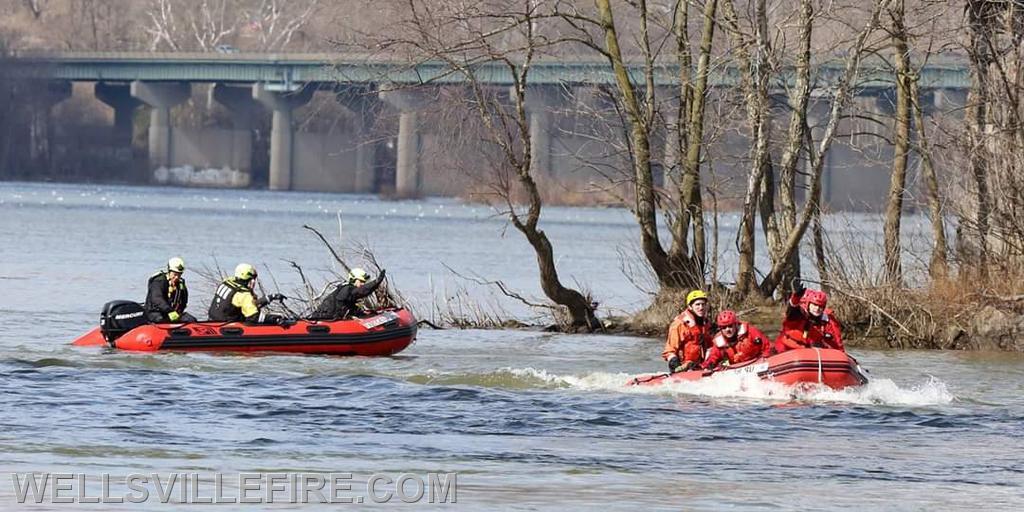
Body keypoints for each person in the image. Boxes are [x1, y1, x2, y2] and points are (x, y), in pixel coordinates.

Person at [774, 279, 844, 353]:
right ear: (808, 305)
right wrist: (796, 297)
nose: (817, 309)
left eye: (820, 307)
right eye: (814, 305)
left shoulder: (829, 321)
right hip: (789, 351)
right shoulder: (798, 315)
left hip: (813, 354)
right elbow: (792, 308)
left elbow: (838, 343)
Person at [207, 263, 287, 325]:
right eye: (253, 278)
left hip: (213, 321)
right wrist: (275, 318)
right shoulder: (243, 294)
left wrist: (270, 297)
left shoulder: (226, 283)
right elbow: (254, 317)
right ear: (249, 279)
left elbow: (250, 305)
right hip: (227, 325)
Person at [701, 310, 771, 371]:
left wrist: (764, 359)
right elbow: (713, 357)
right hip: (736, 369)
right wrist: (707, 365)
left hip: (756, 363)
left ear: (736, 324)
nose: (728, 329)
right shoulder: (719, 342)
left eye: (730, 326)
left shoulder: (750, 332)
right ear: (720, 329)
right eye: (724, 327)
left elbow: (766, 347)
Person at [662, 290, 712, 373]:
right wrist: (676, 364)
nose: (701, 307)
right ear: (690, 306)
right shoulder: (678, 325)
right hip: (682, 367)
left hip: (701, 366)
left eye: (703, 304)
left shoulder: (706, 324)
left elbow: (711, 346)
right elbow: (669, 350)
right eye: (697, 304)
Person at [311, 267, 386, 320]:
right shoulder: (348, 289)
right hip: (325, 318)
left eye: (364, 282)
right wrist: (376, 282)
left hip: (329, 318)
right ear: (353, 280)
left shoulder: (349, 291)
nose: (363, 284)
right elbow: (362, 291)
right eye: (361, 281)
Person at [144, 257, 197, 324]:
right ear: (169, 271)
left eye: (179, 274)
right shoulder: (159, 281)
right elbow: (157, 299)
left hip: (173, 313)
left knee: (191, 320)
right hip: (156, 313)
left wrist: (178, 312)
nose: (177, 277)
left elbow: (184, 301)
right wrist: (170, 311)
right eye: (175, 274)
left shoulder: (180, 284)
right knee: (161, 320)